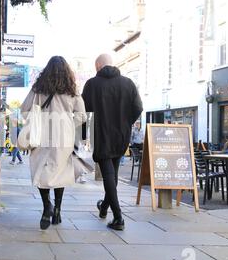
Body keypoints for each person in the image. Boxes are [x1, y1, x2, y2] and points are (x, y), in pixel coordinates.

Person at [20, 56, 87, 230]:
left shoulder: (38, 88)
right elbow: (82, 116)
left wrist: (35, 119)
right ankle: (57, 210)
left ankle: (46, 208)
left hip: (41, 134)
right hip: (64, 136)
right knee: (60, 173)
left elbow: (24, 109)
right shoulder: (72, 90)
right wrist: (69, 124)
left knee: (41, 171)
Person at [82, 54, 143, 231]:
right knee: (113, 175)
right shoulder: (128, 83)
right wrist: (126, 123)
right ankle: (104, 208)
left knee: (109, 175)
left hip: (101, 134)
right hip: (121, 135)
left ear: (99, 65)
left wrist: (83, 136)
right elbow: (138, 108)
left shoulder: (92, 84)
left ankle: (118, 217)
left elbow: (83, 112)